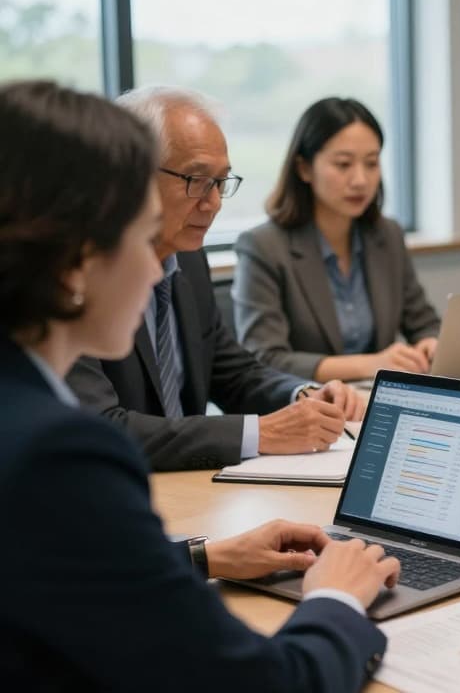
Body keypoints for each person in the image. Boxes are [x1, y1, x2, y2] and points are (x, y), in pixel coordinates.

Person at [0, 79, 399, 690]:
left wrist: (204, 556)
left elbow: (59, 566)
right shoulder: (59, 456)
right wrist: (337, 601)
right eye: (138, 235)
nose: (155, 265)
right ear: (77, 260)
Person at [66, 86, 364, 472]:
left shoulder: (188, 258)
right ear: (132, 175)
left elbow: (232, 372)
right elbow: (101, 426)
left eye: (221, 182)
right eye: (196, 179)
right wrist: (261, 434)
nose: (214, 203)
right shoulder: (73, 276)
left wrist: (301, 395)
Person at [232, 97, 440, 381]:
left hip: (376, 401)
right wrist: (370, 365)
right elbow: (265, 358)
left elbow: (424, 322)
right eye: (343, 165)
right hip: (310, 406)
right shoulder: (264, 247)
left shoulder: (387, 235)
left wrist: (430, 344)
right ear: (304, 168)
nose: (360, 180)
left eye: (371, 163)